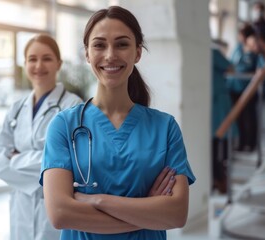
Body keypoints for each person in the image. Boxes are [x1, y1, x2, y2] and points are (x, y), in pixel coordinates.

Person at [40, 6, 195, 240]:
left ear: (137, 53)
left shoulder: (165, 128)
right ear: (87, 54)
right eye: (99, 45)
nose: (110, 55)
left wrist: (96, 200)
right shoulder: (64, 126)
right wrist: (147, 210)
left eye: (122, 44)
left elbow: (176, 214)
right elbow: (60, 214)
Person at [0, 34, 83, 240]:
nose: (38, 65)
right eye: (32, 59)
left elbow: (72, 160)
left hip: (55, 205)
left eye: (47, 58)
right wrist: (46, 165)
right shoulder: (16, 108)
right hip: (20, 205)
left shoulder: (72, 106)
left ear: (58, 64)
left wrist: (16, 159)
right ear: (25, 64)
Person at [227, 23, 259, 151]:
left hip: (248, 88)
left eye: (240, 34)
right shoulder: (238, 48)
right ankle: (241, 143)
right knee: (238, 118)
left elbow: (252, 67)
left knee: (249, 117)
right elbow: (231, 63)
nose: (239, 37)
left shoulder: (254, 49)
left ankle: (250, 143)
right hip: (234, 87)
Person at [211, 39, 233, 193]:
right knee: (219, 142)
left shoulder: (205, 52)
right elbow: (230, 68)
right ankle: (219, 179)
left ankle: (217, 179)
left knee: (214, 143)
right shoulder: (212, 52)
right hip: (216, 103)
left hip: (213, 102)